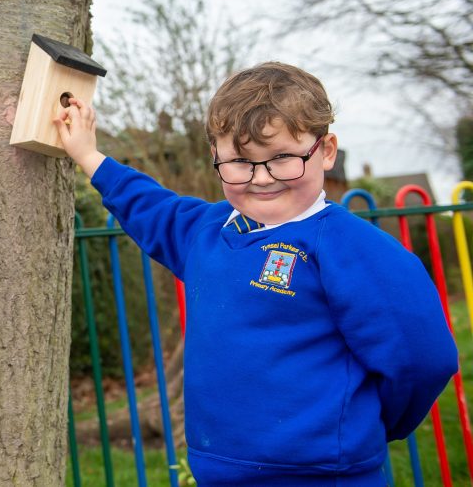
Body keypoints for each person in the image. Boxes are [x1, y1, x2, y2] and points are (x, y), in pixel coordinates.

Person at [54, 61, 458, 486]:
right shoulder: (205, 232)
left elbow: (423, 359)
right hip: (219, 470)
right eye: (240, 162)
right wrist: (88, 154)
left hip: (324, 476)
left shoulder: (354, 248)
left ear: (325, 150)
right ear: (215, 157)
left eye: (282, 158)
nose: (261, 178)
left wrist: (366, 424)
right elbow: (150, 207)